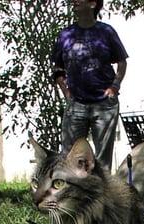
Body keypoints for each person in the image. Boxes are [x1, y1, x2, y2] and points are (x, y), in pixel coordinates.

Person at [51, 0, 128, 171]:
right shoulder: (66, 35)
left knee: (102, 161)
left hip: (104, 105)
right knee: (69, 157)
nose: (74, 1)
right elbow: (57, 67)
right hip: (76, 104)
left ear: (93, 4)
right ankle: (72, 195)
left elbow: (122, 62)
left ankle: (102, 196)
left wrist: (114, 87)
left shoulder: (106, 32)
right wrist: (66, 92)